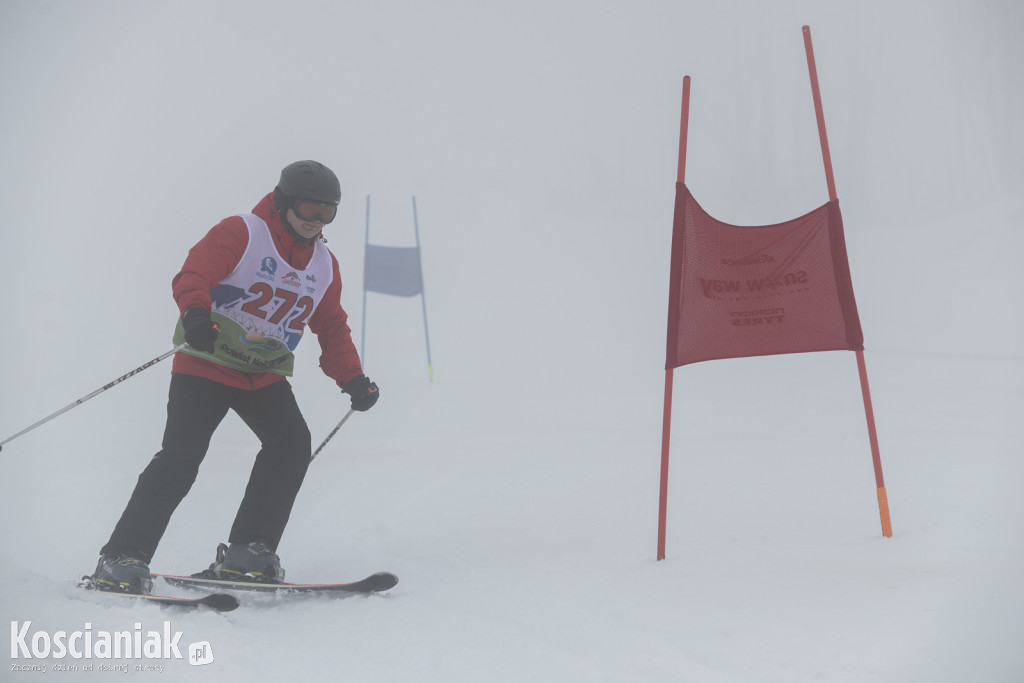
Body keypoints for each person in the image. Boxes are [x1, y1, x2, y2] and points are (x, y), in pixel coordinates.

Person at [87, 160, 378, 593]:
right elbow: (194, 274)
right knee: (181, 457)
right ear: (282, 203)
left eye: (327, 213)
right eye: (308, 210)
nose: (316, 222)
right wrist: (197, 312)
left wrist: (352, 378)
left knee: (291, 443)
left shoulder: (323, 264)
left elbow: (331, 325)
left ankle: (250, 552)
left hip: (261, 374)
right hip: (206, 363)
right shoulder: (243, 232)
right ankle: (121, 558)